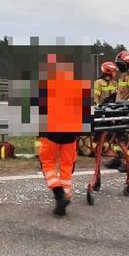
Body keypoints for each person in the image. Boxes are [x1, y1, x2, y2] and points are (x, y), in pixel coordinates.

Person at [38, 55, 91, 216]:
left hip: (52, 132)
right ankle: (65, 195)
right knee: (67, 166)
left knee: (47, 163)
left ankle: (59, 194)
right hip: (71, 134)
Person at [108, 50, 129, 168]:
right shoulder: (122, 77)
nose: (119, 66)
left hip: (128, 111)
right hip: (119, 110)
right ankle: (119, 160)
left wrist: (127, 106)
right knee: (119, 137)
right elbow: (119, 94)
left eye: (121, 64)